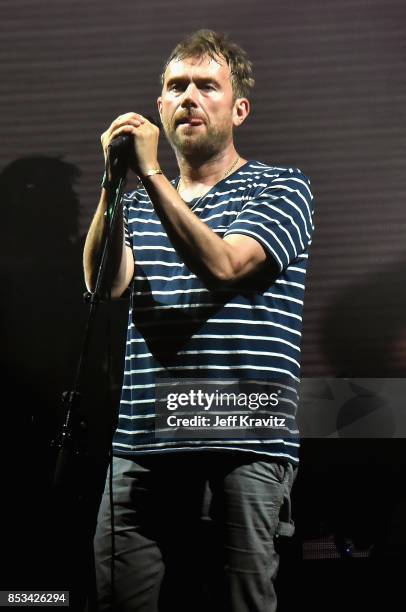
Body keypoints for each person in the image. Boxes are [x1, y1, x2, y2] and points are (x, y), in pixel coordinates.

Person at [84, 29, 314, 612]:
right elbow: (103, 283)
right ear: (159, 107)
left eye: (206, 85)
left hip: (244, 440)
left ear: (237, 109)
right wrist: (115, 183)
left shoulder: (280, 185)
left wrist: (154, 178)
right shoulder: (137, 201)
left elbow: (226, 266)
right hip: (143, 445)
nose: (188, 96)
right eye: (175, 86)